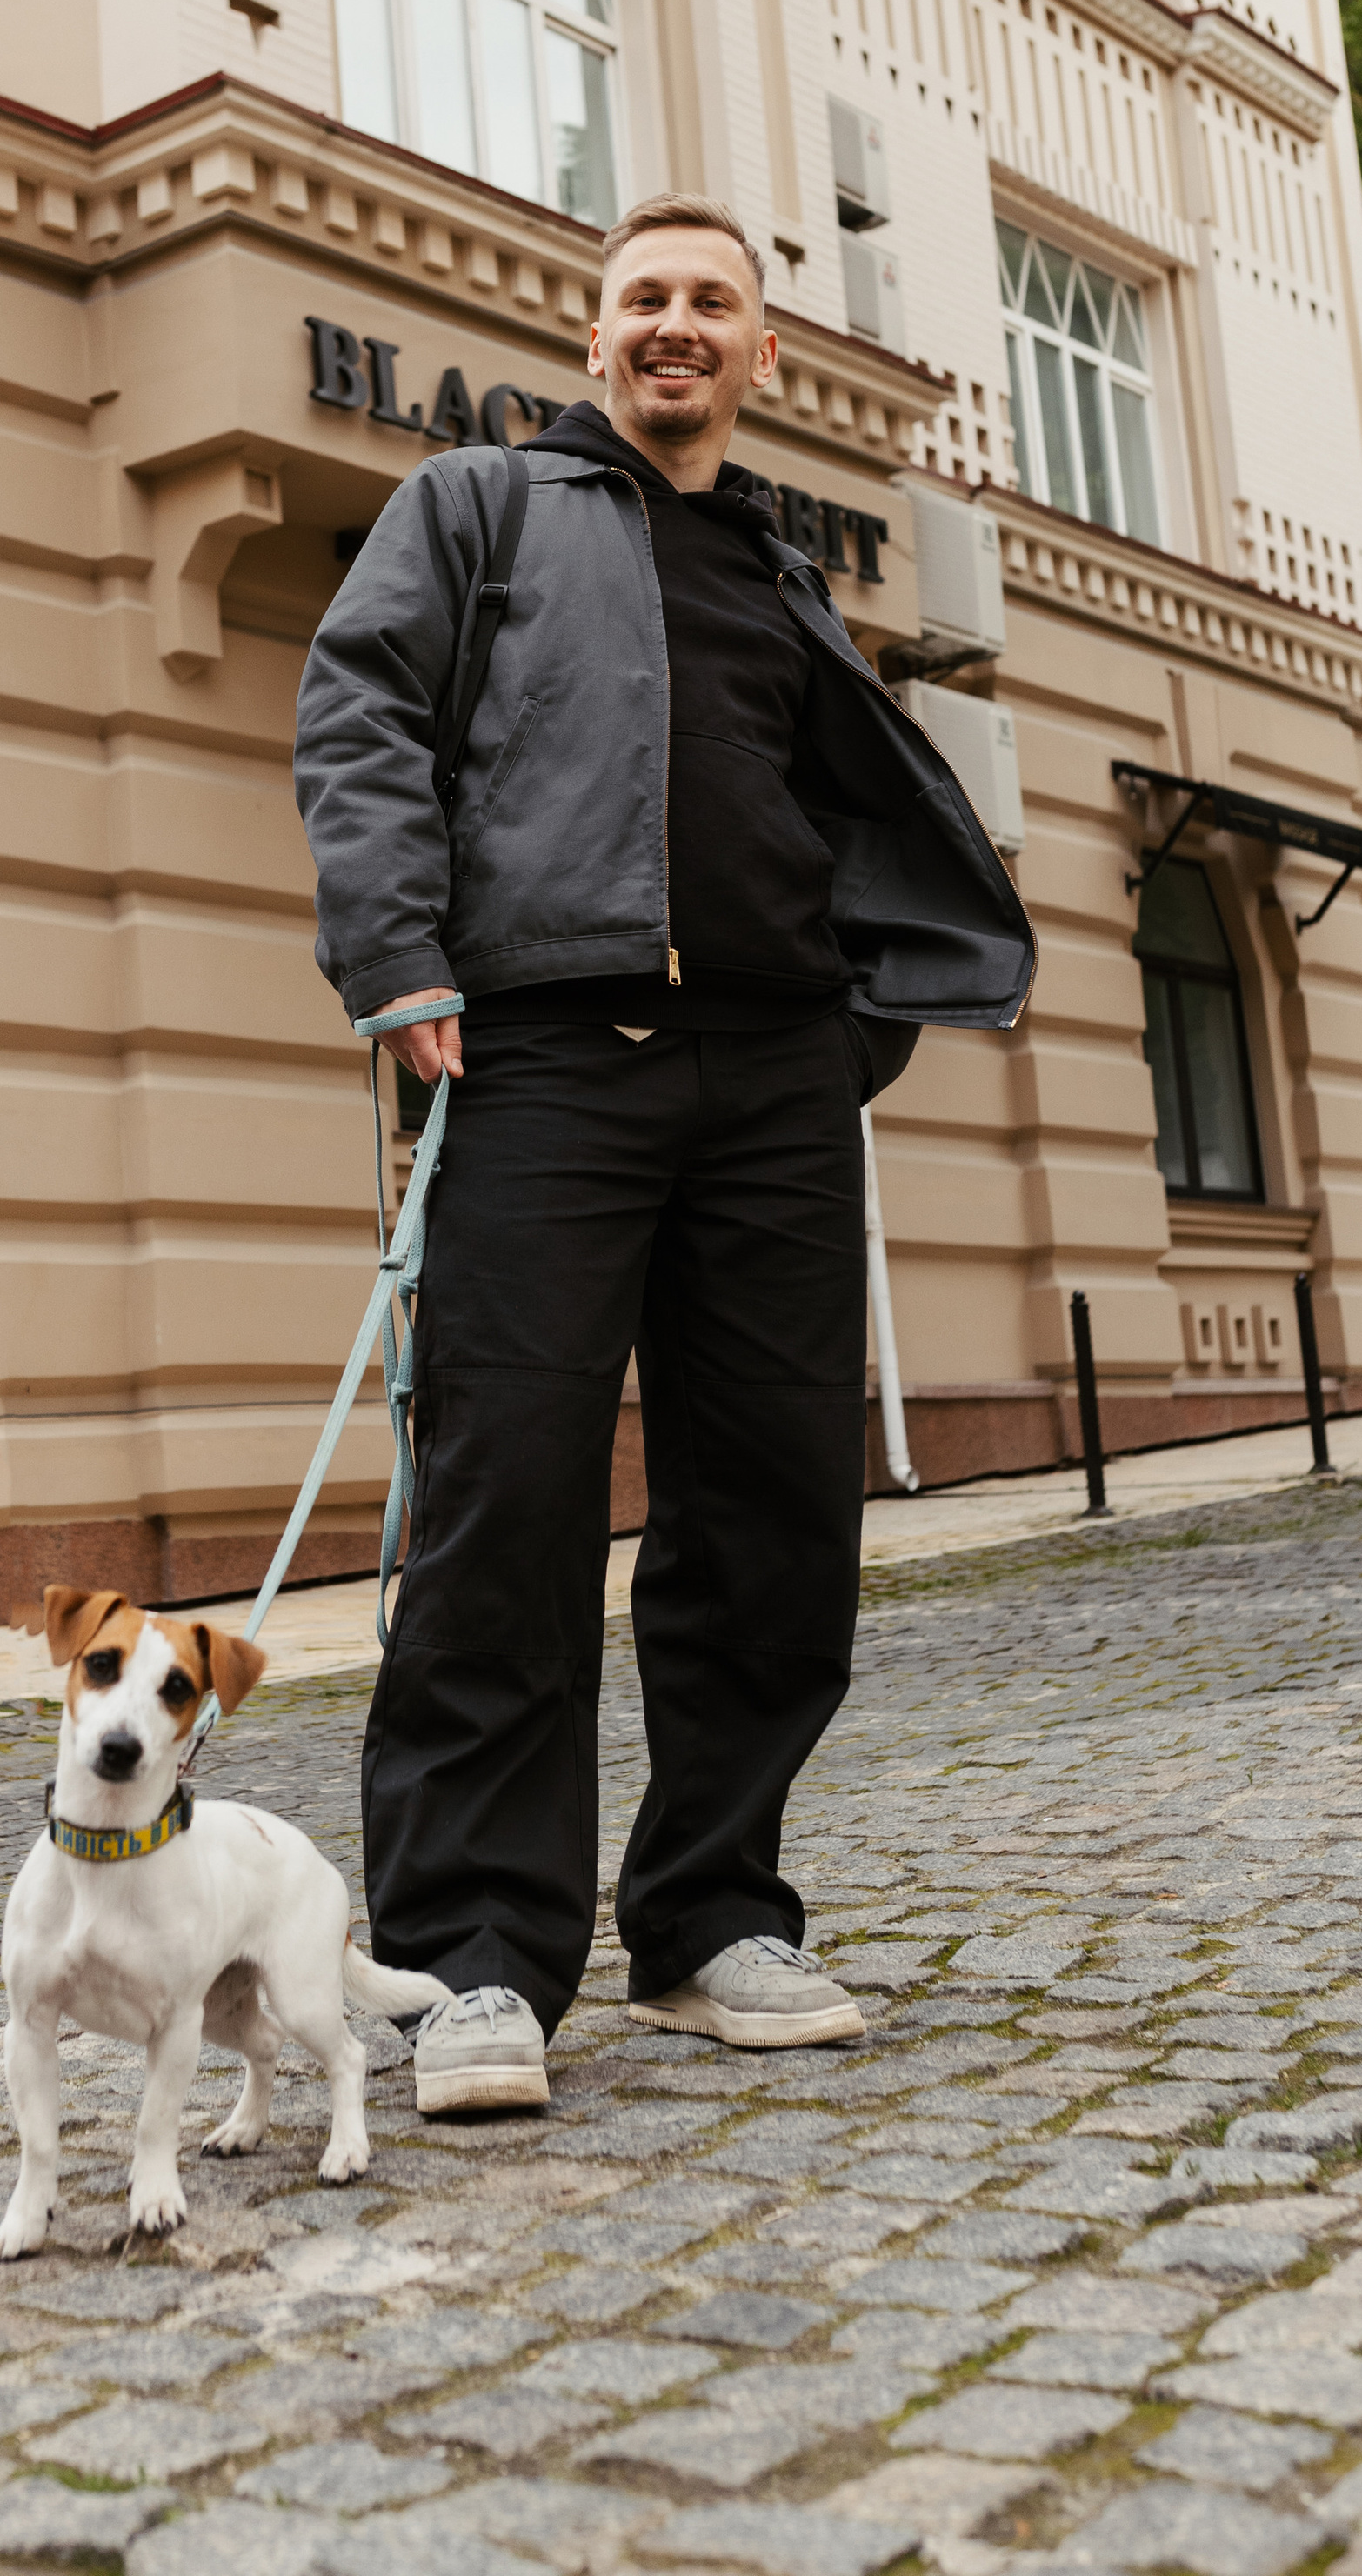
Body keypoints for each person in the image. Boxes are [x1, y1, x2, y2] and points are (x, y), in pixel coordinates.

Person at [293, 194, 1035, 2114]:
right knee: (507, 1502)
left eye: (713, 301)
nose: (675, 325)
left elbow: (840, 817)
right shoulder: (480, 505)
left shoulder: (780, 569)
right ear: (594, 333)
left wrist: (849, 1033)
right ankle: (471, 1962)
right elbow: (358, 712)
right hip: (547, 1056)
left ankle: (709, 1920)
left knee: (774, 1511)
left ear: (760, 353)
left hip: (774, 1083)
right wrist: (395, 957)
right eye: (644, 299)